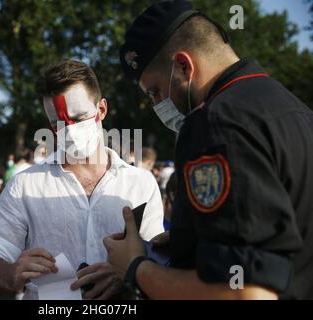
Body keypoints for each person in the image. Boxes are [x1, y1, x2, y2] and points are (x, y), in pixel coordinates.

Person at [104, 0, 313, 299]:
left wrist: (136, 268)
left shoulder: (215, 123)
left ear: (184, 66)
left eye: (155, 91)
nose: (155, 105)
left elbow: (246, 292)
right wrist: (196, 239)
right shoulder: (294, 109)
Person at [0, 60, 164, 300]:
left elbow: (158, 257)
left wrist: (128, 273)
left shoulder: (141, 184)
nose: (70, 130)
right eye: (59, 123)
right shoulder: (24, 185)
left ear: (101, 110)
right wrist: (11, 273)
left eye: (78, 118)